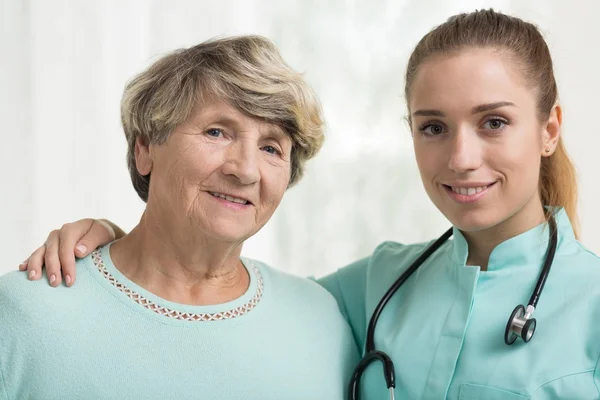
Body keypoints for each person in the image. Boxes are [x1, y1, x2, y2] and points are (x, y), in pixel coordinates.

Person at [15, 9, 600, 400]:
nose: (462, 157)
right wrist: (111, 239)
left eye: (494, 122)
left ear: (549, 130)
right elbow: (198, 281)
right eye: (433, 127)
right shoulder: (373, 289)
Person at [0, 35, 359, 400]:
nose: (246, 170)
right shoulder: (24, 312)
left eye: (271, 148)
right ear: (145, 148)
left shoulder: (322, 320)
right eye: (216, 132)